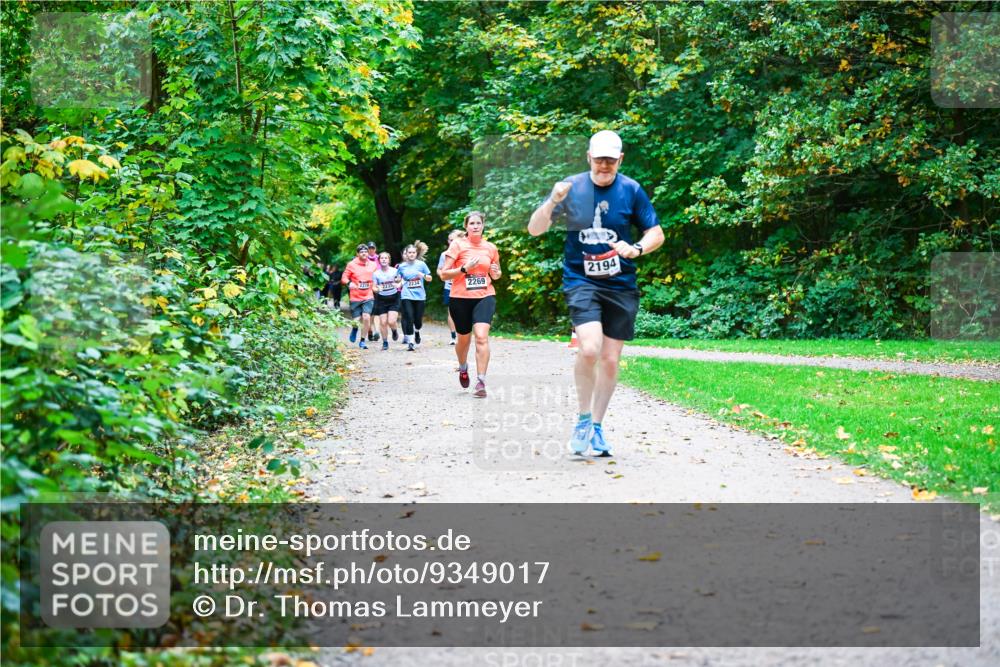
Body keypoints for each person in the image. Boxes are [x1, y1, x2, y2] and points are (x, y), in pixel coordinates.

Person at [528, 130, 664, 456]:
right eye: (599, 158)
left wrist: (636, 249)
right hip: (581, 280)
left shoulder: (631, 190)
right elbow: (535, 229)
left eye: (611, 159)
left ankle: (598, 428)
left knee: (611, 361)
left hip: (620, 284)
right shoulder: (570, 188)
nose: (605, 165)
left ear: (620, 159)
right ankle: (582, 419)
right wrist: (552, 201)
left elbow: (656, 232)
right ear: (589, 157)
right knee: (589, 349)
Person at [438, 211, 501, 398]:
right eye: (471, 223)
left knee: (481, 337)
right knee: (463, 339)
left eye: (478, 223)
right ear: (466, 227)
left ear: (483, 226)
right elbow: (443, 274)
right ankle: (463, 367)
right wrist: (464, 269)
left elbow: (496, 274)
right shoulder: (458, 245)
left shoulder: (490, 248)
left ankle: (481, 381)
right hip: (460, 298)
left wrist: (496, 272)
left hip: (485, 295)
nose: (475, 226)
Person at [398, 241, 432, 352]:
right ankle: (411, 342)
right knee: (409, 317)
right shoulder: (402, 266)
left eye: (413, 252)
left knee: (418, 321)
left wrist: (422, 275)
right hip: (406, 295)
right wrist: (397, 280)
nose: (411, 254)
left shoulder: (421, 265)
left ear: (416, 253)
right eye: (409, 252)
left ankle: (417, 331)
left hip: (420, 296)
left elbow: (429, 278)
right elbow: (398, 278)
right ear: (406, 254)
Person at [342, 244, 377, 349]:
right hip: (355, 296)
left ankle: (362, 341)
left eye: (365, 252)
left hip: (368, 295)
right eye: (361, 252)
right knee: (356, 320)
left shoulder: (373, 265)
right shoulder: (351, 264)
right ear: (357, 254)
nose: (364, 254)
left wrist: (378, 286)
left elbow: (377, 277)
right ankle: (355, 328)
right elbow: (344, 277)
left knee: (366, 317)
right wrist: (349, 283)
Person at [437, 229, 465, 345]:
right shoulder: (444, 255)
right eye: (450, 240)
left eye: (454, 240)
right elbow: (439, 269)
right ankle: (453, 336)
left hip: (464, 287)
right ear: (448, 241)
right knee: (451, 312)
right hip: (449, 287)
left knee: (464, 312)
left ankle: (463, 334)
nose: (452, 242)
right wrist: (443, 275)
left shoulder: (465, 253)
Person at [372, 251, 403, 350]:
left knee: (391, 321)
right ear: (379, 260)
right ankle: (385, 342)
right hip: (381, 299)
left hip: (394, 297)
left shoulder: (394, 271)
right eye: (382, 258)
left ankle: (394, 331)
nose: (384, 260)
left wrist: (398, 283)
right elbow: (373, 287)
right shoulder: (376, 274)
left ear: (389, 260)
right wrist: (377, 289)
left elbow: (400, 280)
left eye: (386, 258)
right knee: (383, 322)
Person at [365, 241, 381, 341]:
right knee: (368, 311)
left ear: (375, 249)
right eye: (369, 248)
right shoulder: (363, 259)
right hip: (366, 288)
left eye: (373, 248)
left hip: (377, 287)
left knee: (377, 310)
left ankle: (377, 331)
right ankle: (370, 330)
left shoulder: (379, 258)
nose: (371, 250)